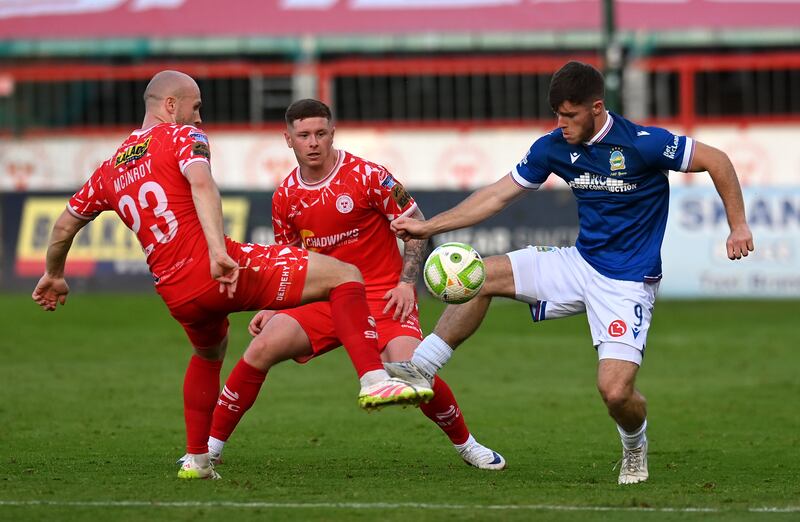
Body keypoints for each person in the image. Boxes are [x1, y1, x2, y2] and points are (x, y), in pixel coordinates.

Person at [31, 71, 430, 481]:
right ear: (171, 106)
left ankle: (198, 459)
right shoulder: (182, 137)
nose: (199, 118)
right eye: (196, 107)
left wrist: (53, 274)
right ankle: (373, 379)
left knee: (208, 353)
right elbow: (202, 185)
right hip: (216, 269)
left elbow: (63, 227)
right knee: (345, 274)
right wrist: (218, 253)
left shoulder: (109, 168)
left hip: (173, 291)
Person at [388, 61, 754, 485]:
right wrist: (429, 227)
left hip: (627, 282)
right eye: (557, 115)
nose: (561, 124)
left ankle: (635, 446)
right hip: (578, 263)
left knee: (615, 392)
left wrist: (738, 225)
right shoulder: (553, 147)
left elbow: (719, 160)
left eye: (570, 115)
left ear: (596, 108)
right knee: (477, 275)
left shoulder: (643, 143)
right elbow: (495, 197)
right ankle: (423, 366)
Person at [195, 99, 505, 471]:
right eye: (304, 135)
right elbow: (290, 260)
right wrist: (274, 306)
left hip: (382, 297)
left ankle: (467, 445)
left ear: (332, 134)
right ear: (288, 139)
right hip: (323, 299)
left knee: (413, 369)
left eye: (321, 134)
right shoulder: (285, 197)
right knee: (261, 348)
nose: (313, 142)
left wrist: (407, 283)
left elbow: (416, 226)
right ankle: (208, 449)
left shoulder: (368, 176)